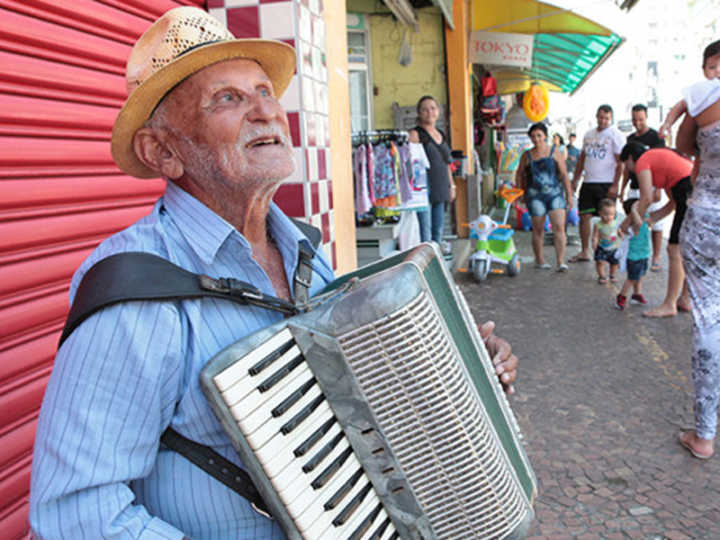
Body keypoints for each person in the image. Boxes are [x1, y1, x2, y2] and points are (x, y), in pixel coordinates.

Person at [29, 7, 519, 539]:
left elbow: (352, 408)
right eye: (228, 99)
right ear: (162, 151)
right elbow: (75, 517)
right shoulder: (137, 291)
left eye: (265, 90)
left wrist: (455, 377)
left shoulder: (305, 253)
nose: (265, 111)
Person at [673, 39, 720, 460]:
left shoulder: (705, 102)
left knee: (709, 322)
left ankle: (704, 434)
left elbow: (683, 146)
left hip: (707, 219)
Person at [620, 143, 693, 318]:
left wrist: (626, 223)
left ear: (630, 158)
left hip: (689, 189)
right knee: (688, 250)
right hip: (691, 187)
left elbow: (646, 199)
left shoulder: (643, 162)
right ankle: (685, 299)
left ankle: (669, 304)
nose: (629, 170)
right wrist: (651, 219)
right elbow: (672, 203)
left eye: (626, 165)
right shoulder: (658, 162)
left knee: (674, 249)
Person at [569, 105, 625, 263]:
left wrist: (615, 185)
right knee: (584, 216)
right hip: (588, 182)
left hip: (606, 183)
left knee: (608, 219)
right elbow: (582, 159)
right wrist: (576, 179)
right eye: (601, 117)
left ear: (611, 119)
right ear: (596, 116)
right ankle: (585, 251)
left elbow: (621, 162)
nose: (603, 121)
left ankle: (610, 251)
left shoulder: (615, 135)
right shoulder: (588, 134)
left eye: (607, 118)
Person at [515, 122, 572, 271]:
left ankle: (560, 261)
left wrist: (569, 196)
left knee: (559, 227)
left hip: (555, 195)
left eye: (539, 135)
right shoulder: (526, 155)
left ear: (545, 136)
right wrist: (519, 192)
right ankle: (539, 260)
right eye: (533, 136)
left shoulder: (555, 152)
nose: (536, 139)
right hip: (535, 197)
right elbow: (519, 173)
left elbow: (565, 175)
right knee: (538, 229)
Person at [620, 104, 666, 271]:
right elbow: (626, 166)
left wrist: (659, 189)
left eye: (640, 119)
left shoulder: (656, 137)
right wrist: (621, 188)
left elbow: (661, 163)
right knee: (636, 221)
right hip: (635, 185)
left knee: (656, 223)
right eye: (634, 119)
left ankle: (656, 256)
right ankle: (637, 254)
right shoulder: (630, 138)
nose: (637, 123)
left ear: (646, 117)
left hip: (653, 185)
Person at [409, 96, 456, 245]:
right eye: (425, 109)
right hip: (424, 189)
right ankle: (425, 266)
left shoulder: (440, 134)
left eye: (433, 108)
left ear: (438, 111)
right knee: (426, 233)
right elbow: (408, 161)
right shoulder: (415, 134)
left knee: (438, 231)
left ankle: (435, 263)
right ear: (419, 113)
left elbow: (446, 163)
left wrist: (452, 185)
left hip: (441, 186)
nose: (429, 112)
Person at [658, 40, 720, 139]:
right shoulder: (701, 89)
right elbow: (680, 106)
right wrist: (667, 123)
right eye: (712, 67)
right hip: (706, 142)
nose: (718, 70)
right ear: (704, 70)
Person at [615, 199, 651, 310]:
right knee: (632, 278)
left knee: (639, 276)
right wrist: (634, 210)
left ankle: (637, 294)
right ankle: (622, 296)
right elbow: (637, 223)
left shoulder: (644, 219)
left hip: (643, 254)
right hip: (634, 257)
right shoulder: (633, 226)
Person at [592, 198, 622, 284]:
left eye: (611, 214)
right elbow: (595, 235)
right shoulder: (598, 225)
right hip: (602, 247)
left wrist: (623, 238)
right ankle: (602, 276)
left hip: (614, 247)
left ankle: (612, 275)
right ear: (600, 213)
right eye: (606, 214)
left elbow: (619, 232)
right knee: (600, 262)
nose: (609, 217)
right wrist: (594, 242)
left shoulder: (616, 223)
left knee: (614, 263)